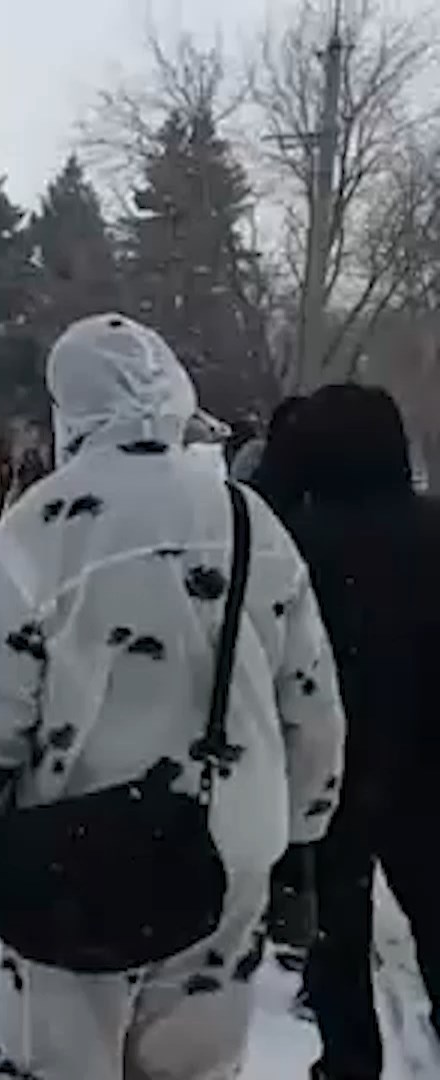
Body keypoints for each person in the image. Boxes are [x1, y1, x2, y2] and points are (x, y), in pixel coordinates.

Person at [0, 314, 345, 1080]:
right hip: (227, 848)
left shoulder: (35, 531)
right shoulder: (249, 520)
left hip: (76, 855)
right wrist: (300, 829)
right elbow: (310, 696)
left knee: (55, 1059)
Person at [283, 385, 440, 1080]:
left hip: (329, 769)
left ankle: (348, 1065)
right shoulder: (434, 529)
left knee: (334, 939)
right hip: (429, 768)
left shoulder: (295, 544)